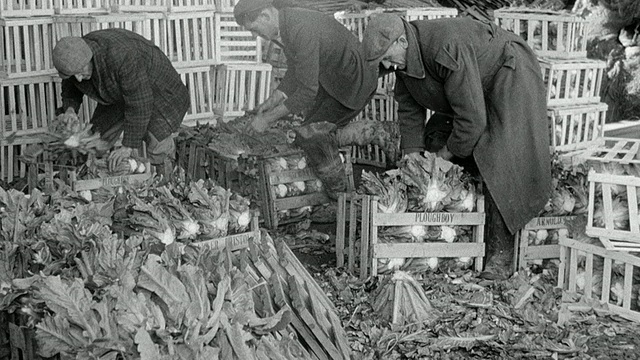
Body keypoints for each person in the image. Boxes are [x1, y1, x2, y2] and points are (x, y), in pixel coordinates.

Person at [362, 14, 553, 277]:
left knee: (500, 156)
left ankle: (501, 254)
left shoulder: (444, 46)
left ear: (402, 41)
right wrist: (412, 157)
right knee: (435, 137)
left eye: (386, 56)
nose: (386, 65)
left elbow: (472, 120)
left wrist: (444, 157)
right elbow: (408, 109)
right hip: (473, 90)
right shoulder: (404, 62)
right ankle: (467, 224)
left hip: (510, 75)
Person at [52, 28, 189, 173]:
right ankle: (96, 177)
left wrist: (127, 147)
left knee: (157, 143)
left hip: (160, 91)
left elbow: (139, 104)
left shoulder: (123, 57)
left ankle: (166, 183)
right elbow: (71, 86)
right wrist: (70, 109)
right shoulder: (77, 54)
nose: (79, 78)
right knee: (96, 138)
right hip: (121, 92)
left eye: (81, 72)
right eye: (74, 74)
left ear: (89, 57)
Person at [233, 0, 379, 133]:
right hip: (331, 77)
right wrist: (272, 101)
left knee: (312, 135)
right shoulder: (285, 23)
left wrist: (267, 119)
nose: (254, 35)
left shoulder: (300, 28)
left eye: (254, 29)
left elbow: (308, 91)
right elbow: (295, 70)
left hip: (353, 81)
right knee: (309, 129)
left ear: (265, 16)